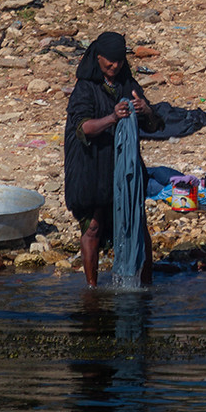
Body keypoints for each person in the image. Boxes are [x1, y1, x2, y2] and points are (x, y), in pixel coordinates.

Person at [64, 31, 156, 286]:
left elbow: (155, 124)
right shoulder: (86, 88)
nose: (114, 66)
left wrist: (145, 109)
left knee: (136, 224)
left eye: (119, 61)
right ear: (98, 57)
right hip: (91, 166)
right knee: (93, 225)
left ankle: (145, 285)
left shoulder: (128, 84)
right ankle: (92, 288)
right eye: (109, 61)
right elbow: (83, 128)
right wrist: (113, 118)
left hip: (121, 168)